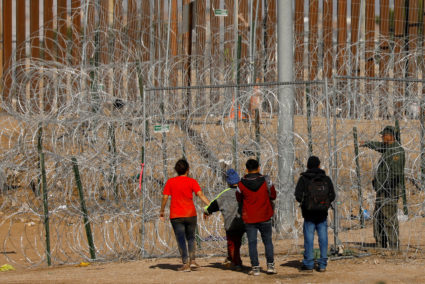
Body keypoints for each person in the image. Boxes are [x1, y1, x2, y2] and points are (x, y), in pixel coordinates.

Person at [159, 159, 210, 272]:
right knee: (191, 237)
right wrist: (210, 205)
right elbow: (200, 194)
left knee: (181, 239)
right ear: (188, 169)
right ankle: (192, 261)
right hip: (190, 214)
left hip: (176, 215)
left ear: (176, 170)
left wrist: (161, 211)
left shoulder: (170, 182)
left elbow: (165, 197)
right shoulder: (192, 181)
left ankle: (185, 263)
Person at [360, 125, 405, 249]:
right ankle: (381, 243)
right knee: (379, 217)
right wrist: (367, 143)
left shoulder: (397, 151)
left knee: (389, 217)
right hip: (382, 189)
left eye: (383, 135)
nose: (382, 138)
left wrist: (385, 185)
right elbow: (378, 145)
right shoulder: (388, 148)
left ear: (390, 136)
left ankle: (393, 244)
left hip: (390, 190)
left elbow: (395, 174)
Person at [294, 156, 335, 272]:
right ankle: (322, 264)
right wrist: (324, 204)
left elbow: (297, 195)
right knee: (323, 238)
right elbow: (332, 195)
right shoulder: (326, 179)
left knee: (309, 238)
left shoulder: (304, 179)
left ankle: (309, 263)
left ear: (307, 166)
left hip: (308, 213)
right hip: (322, 213)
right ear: (319, 165)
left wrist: (306, 203)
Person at [236, 159, 277, 276]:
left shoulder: (241, 183)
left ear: (246, 169)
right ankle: (270, 266)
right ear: (259, 168)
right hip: (265, 215)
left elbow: (238, 198)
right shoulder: (266, 181)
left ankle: (255, 267)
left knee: (252, 243)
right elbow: (273, 195)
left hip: (249, 217)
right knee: (268, 242)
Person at [204, 169, 245, 271]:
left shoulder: (224, 194)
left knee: (232, 243)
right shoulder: (243, 191)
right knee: (237, 242)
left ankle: (236, 263)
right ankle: (233, 259)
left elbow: (213, 205)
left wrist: (206, 211)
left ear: (228, 182)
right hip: (243, 222)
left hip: (230, 223)